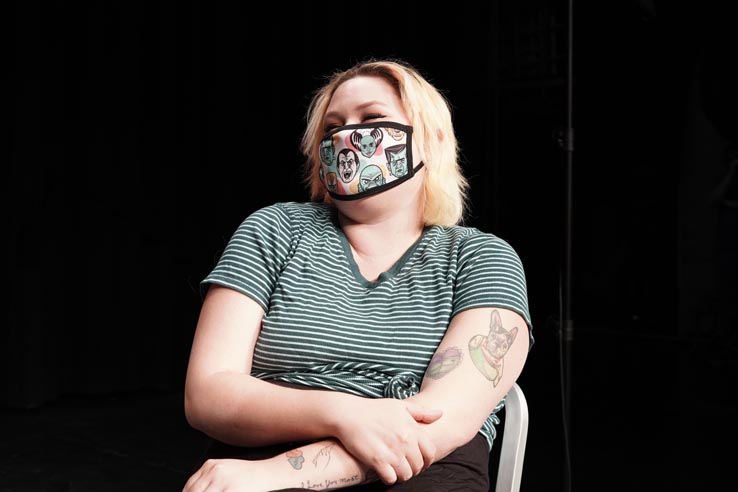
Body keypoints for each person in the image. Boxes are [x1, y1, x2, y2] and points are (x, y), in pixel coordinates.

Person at [181, 58, 534, 492]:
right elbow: (207, 394)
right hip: (259, 452)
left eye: (372, 118)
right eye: (332, 128)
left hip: (417, 471)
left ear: (432, 139)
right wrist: (344, 414)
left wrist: (275, 474)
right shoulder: (274, 230)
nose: (347, 137)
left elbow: (437, 423)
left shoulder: (481, 258)